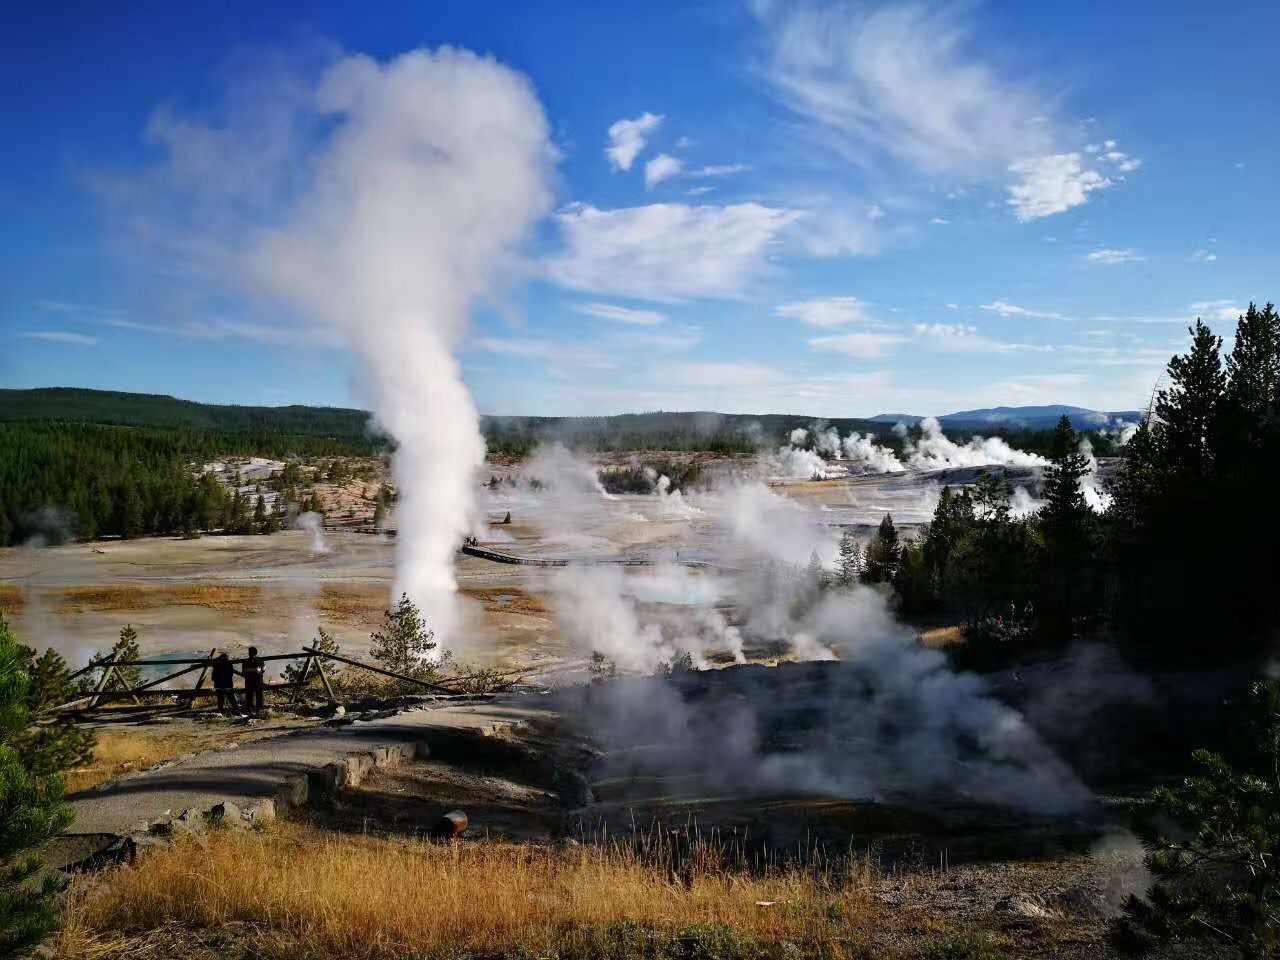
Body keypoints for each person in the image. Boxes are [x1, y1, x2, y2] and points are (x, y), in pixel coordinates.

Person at [242, 646, 266, 717]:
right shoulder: (260, 661)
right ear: (256, 653)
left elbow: (243, 672)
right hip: (258, 680)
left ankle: (250, 710)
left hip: (249, 680)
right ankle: (259, 709)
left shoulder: (245, 662)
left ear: (249, 653)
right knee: (259, 695)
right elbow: (263, 670)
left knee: (249, 695)